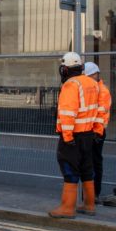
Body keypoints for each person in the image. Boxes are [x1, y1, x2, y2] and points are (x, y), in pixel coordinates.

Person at [49, 52, 99, 219]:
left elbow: (67, 113)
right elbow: (99, 111)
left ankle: (67, 208)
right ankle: (89, 205)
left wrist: (67, 136)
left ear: (65, 69)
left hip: (73, 136)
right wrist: (97, 130)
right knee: (87, 170)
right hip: (88, 134)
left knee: (70, 170)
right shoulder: (93, 83)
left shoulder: (71, 85)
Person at [85, 62, 111, 200]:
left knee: (95, 162)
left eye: (88, 76)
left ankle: (94, 194)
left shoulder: (102, 91)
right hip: (90, 130)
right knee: (89, 163)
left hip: (97, 132)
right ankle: (89, 194)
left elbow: (101, 114)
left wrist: (97, 133)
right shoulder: (93, 88)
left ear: (95, 75)